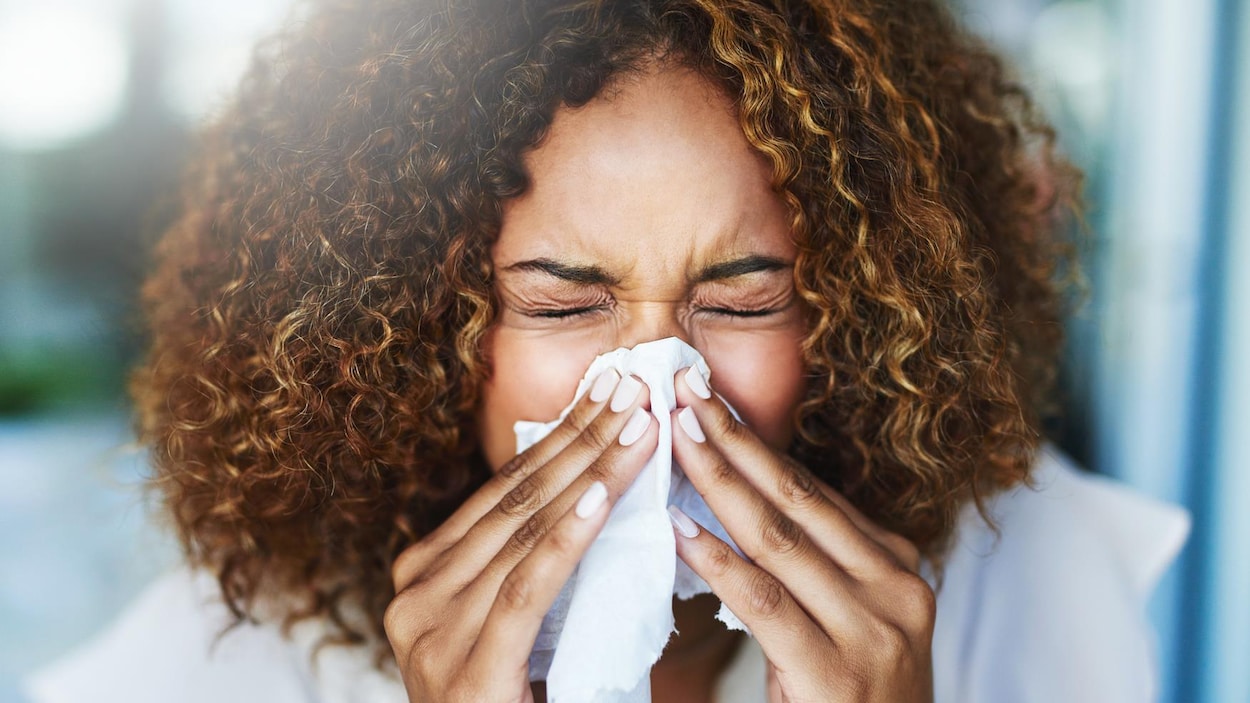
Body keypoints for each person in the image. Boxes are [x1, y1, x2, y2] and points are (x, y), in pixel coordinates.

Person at [25, 0, 1190, 701]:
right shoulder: (214, 669)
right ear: (421, 336)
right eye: (560, 305)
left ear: (855, 321)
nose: (655, 393)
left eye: (738, 302)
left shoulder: (1033, 589)